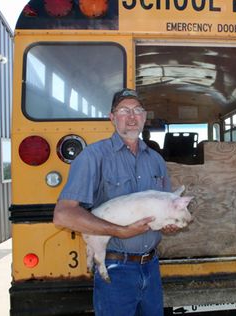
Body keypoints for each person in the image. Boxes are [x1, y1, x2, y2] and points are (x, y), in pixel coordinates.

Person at [53, 88, 179, 316]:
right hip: (116, 269)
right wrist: (120, 231)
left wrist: (169, 224)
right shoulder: (93, 157)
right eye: (124, 110)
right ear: (112, 118)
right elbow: (63, 215)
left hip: (151, 267)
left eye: (138, 110)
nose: (132, 117)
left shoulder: (156, 160)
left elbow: (166, 207)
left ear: (144, 117)